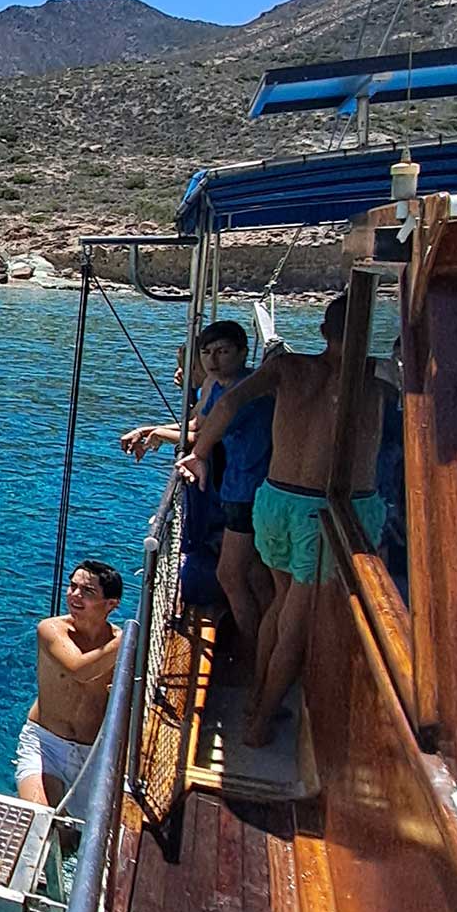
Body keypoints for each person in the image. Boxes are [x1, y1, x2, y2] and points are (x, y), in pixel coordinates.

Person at [178, 295, 383, 747]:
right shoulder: (377, 379)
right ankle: (262, 718)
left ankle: (256, 693)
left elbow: (228, 404)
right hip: (322, 509)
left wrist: (200, 452)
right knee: (297, 613)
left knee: (280, 599)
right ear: (366, 333)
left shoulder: (288, 369)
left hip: (274, 500)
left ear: (324, 331)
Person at [121, 321, 274, 668]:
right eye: (207, 353)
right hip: (237, 487)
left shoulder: (245, 391)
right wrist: (150, 429)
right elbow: (197, 426)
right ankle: (264, 642)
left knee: (233, 576)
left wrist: (160, 434)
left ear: (242, 352)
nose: (213, 360)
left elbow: (203, 438)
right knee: (254, 575)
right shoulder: (217, 387)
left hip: (248, 488)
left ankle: (253, 657)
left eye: (222, 351)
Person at [16, 561, 124, 807]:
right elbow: (79, 670)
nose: (75, 595)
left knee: (73, 840)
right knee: (41, 820)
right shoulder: (51, 630)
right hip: (46, 745)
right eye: (72, 586)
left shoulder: (119, 645)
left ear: (111, 604)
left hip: (93, 755)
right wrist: (129, 642)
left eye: (87, 591)